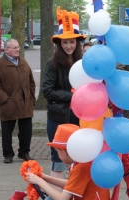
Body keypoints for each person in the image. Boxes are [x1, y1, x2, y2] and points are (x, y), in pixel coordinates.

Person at [42, 6, 85, 178]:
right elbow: (47, 91)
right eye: (65, 42)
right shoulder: (52, 63)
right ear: (60, 43)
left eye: (72, 42)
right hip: (58, 119)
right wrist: (73, 96)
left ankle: (73, 199)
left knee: (79, 160)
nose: (69, 46)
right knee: (58, 161)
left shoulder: (83, 63)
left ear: (77, 43)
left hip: (79, 118)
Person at [0, 39, 36, 164]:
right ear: (6, 49)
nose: (17, 49)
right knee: (7, 131)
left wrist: (31, 98)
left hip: (25, 103)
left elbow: (31, 82)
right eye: (14, 47)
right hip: (8, 104)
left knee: (26, 131)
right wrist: (5, 99)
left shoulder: (23, 62)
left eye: (18, 47)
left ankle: (24, 152)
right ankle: (8, 154)